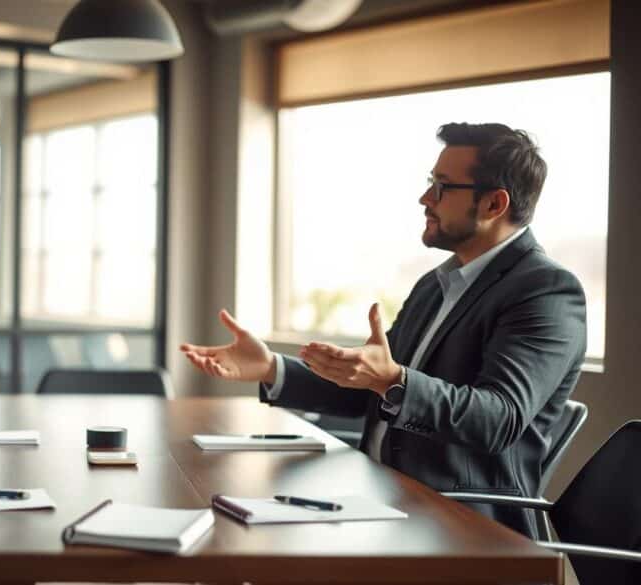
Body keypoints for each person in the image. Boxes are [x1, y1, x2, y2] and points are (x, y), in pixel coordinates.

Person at [181, 123, 586, 537]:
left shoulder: (545, 291)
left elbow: (497, 419)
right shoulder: (436, 285)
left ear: (494, 204)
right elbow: (371, 387)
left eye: (442, 187)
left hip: (457, 522)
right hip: (383, 496)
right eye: (431, 182)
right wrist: (270, 367)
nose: (425, 198)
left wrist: (394, 380)